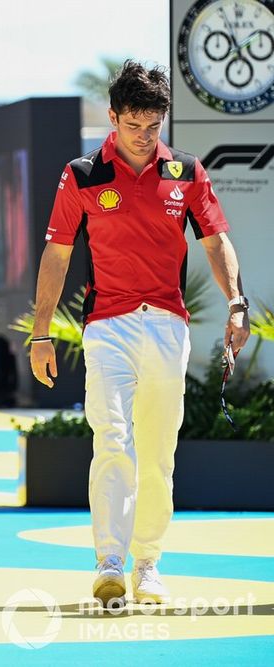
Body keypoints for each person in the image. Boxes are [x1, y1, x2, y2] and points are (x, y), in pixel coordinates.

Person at [29, 61, 250, 607]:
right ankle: (108, 561)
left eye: (154, 127)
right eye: (134, 126)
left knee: (157, 454)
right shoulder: (81, 174)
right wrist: (39, 335)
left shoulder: (187, 172)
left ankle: (147, 563)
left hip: (169, 327)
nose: (145, 137)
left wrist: (237, 303)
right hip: (108, 327)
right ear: (112, 117)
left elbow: (216, 240)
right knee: (113, 441)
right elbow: (57, 253)